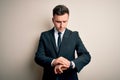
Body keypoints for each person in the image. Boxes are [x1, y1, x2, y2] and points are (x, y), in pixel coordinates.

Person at [35, 5, 91, 80]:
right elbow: (38, 57)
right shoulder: (44, 36)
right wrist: (54, 61)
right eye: (58, 22)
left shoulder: (74, 35)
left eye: (64, 21)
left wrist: (70, 64)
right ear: (53, 20)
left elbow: (86, 56)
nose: (61, 25)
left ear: (68, 19)